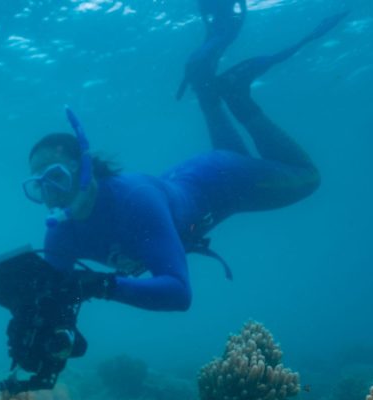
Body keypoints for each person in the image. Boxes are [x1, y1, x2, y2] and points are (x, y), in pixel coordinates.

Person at [22, 1, 348, 313]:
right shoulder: (59, 234)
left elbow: (178, 293)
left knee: (308, 176)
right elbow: (54, 291)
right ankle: (208, 88)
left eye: (56, 177)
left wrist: (104, 287)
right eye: (39, 186)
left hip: (228, 180)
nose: (50, 193)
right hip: (202, 175)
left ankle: (237, 97)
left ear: (85, 169)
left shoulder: (133, 202)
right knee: (233, 156)